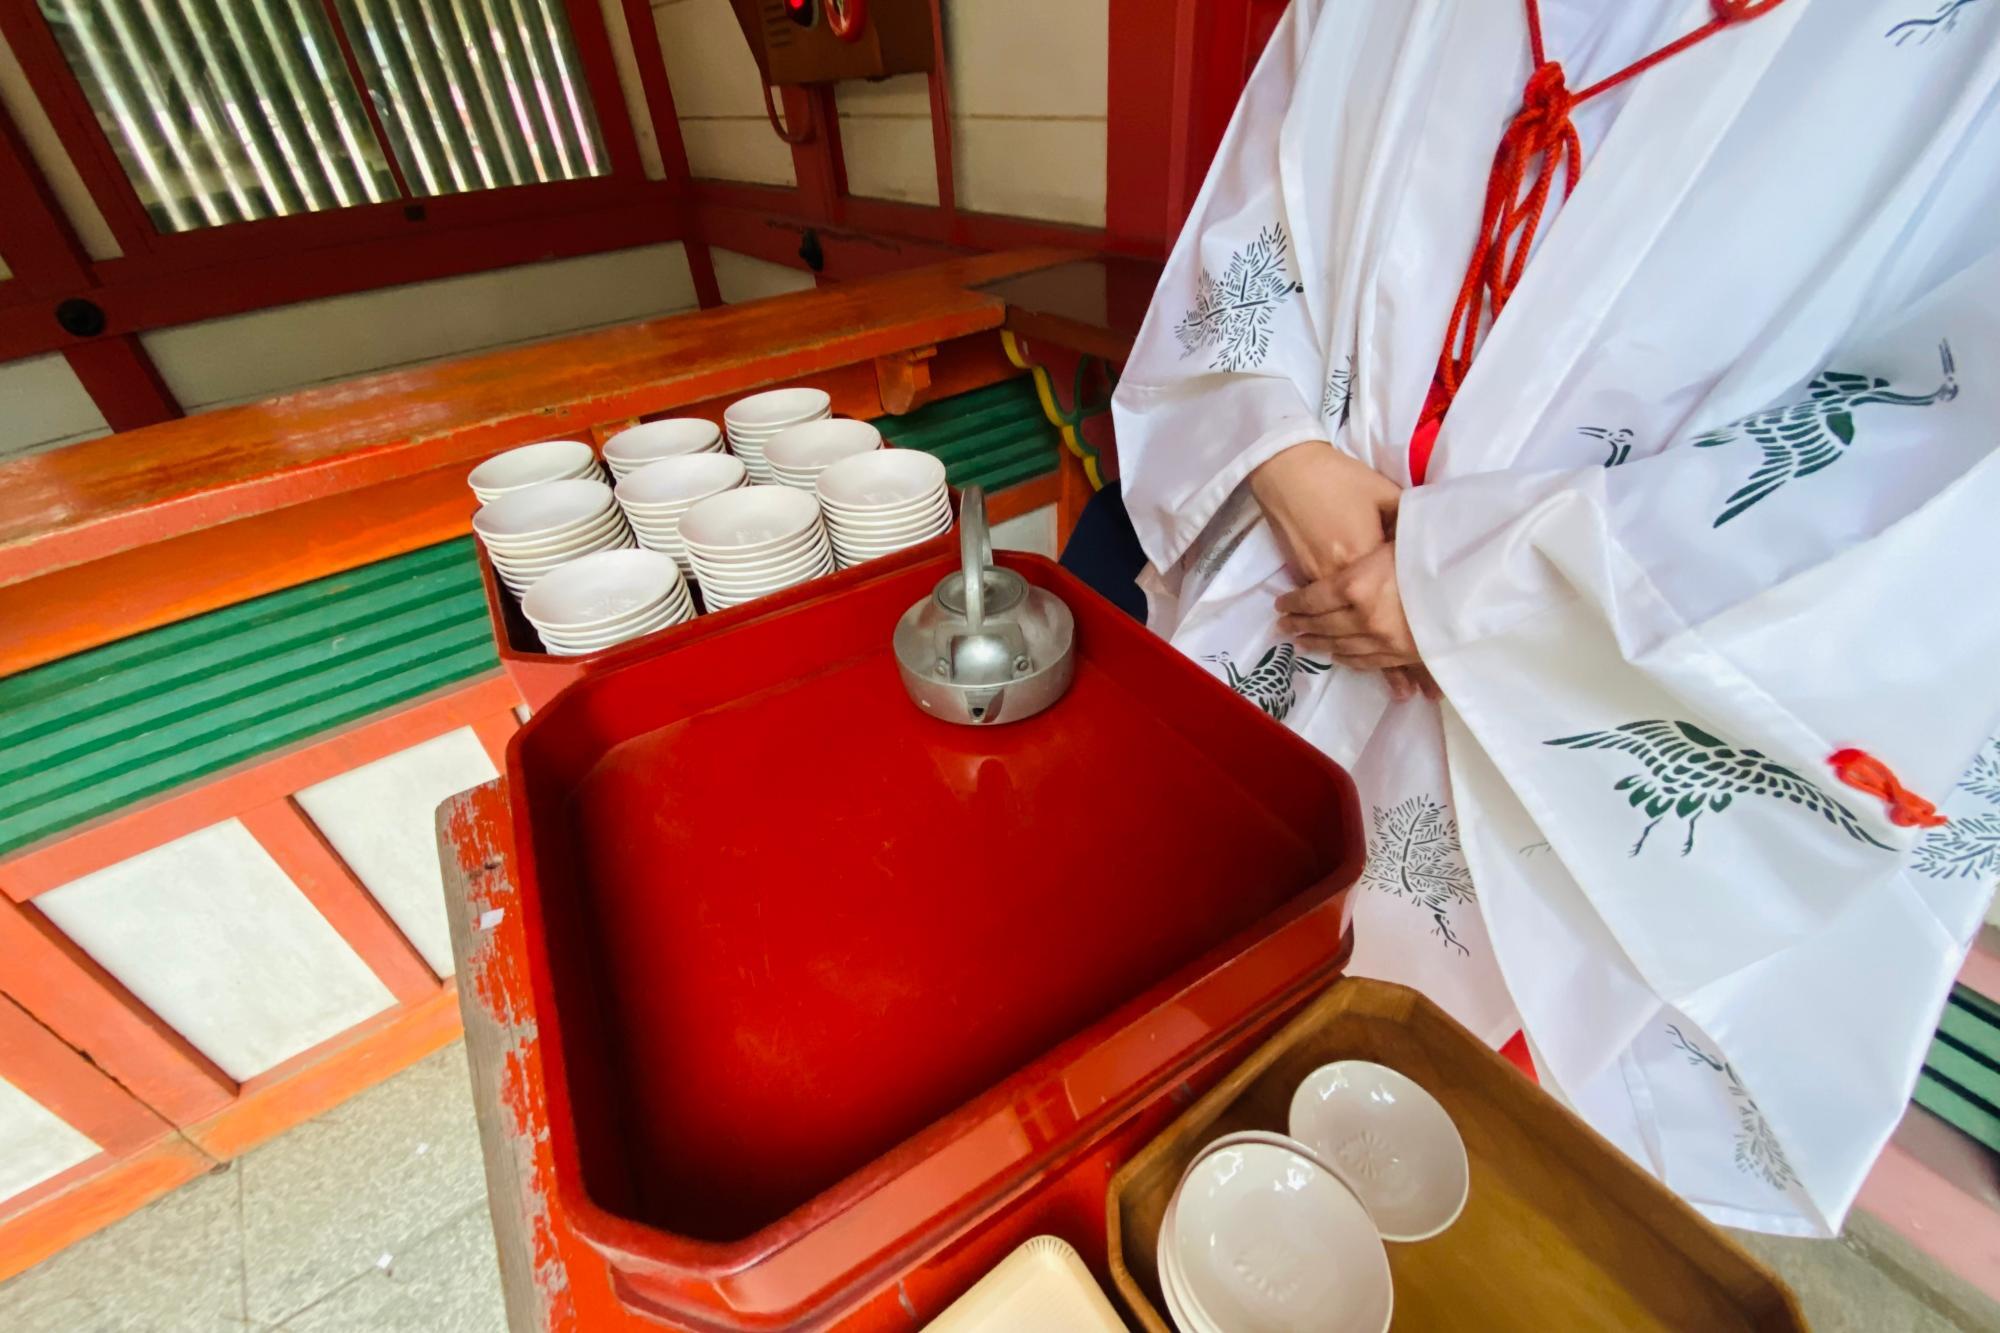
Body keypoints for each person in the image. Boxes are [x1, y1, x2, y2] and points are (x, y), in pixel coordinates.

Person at [1110, 0, 2000, 1236]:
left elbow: (1942, 464)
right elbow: (1254, 215)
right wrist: (1282, 452)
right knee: (1157, 1012)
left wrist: (1476, 590)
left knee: (1415, 1167)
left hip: (1552, 746)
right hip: (1286, 589)